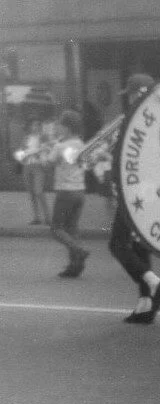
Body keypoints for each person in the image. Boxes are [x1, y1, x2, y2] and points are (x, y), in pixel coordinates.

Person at [108, 73, 160, 324]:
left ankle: (155, 284)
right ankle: (146, 305)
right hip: (151, 190)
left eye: (132, 94)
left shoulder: (138, 118)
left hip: (136, 191)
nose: (129, 99)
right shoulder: (159, 115)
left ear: (140, 93)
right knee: (138, 246)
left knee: (117, 244)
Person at [44, 111, 89, 278]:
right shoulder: (81, 144)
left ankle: (79, 250)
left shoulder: (60, 146)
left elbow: (47, 165)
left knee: (56, 229)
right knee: (72, 229)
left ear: (68, 128)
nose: (58, 128)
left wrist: (48, 152)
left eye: (61, 125)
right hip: (80, 191)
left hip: (65, 191)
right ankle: (75, 266)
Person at [17, 119, 51, 225]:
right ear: (30, 126)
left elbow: (46, 150)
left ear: (40, 126)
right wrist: (27, 154)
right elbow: (21, 153)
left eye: (37, 125)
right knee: (31, 193)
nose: (35, 127)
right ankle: (36, 218)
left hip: (38, 167)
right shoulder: (26, 138)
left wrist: (33, 152)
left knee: (39, 191)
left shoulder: (43, 137)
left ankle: (48, 218)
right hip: (27, 167)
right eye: (33, 125)